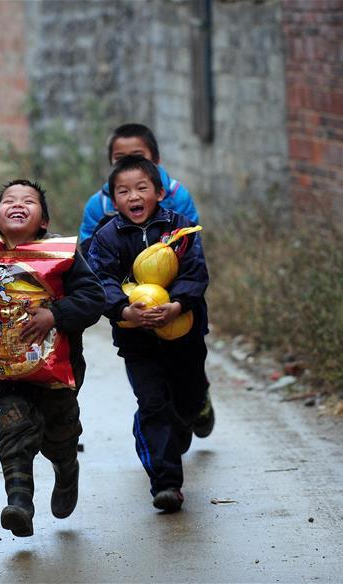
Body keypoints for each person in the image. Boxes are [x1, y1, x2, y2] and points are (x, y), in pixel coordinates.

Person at [0, 180, 104, 537]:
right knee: (14, 430)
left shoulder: (61, 255)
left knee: (58, 434)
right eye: (9, 201)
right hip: (10, 370)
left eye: (28, 201)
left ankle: (66, 468)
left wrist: (56, 315)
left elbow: (93, 297)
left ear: (44, 221)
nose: (18, 205)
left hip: (58, 370)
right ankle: (19, 504)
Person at [86, 156, 214, 513]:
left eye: (142, 188)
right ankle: (167, 483)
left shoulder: (181, 230)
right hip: (137, 340)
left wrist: (176, 305)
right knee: (152, 405)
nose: (133, 196)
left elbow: (195, 274)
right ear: (113, 201)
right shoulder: (107, 236)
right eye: (123, 191)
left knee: (186, 401)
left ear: (159, 192)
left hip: (184, 335)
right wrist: (124, 311)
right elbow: (101, 280)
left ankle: (184, 419)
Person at [78, 123, 199, 255]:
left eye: (138, 156)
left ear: (156, 160)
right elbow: (90, 254)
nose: (130, 163)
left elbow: (190, 247)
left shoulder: (177, 197)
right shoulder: (99, 204)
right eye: (120, 158)